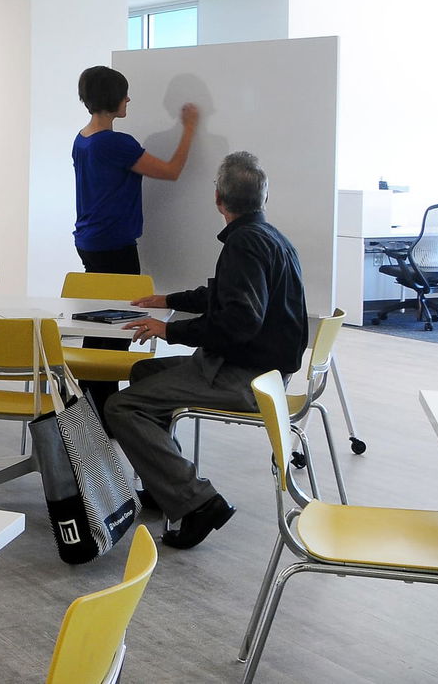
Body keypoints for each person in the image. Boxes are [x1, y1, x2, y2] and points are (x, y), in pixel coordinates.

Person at [103, 151, 308, 550]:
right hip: (265, 373)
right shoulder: (270, 238)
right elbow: (226, 297)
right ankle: (168, 485)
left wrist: (169, 329)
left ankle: (198, 501)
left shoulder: (244, 245)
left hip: (244, 378)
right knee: (145, 374)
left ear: (218, 199)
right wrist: (170, 298)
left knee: (121, 407)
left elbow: (238, 322)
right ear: (264, 198)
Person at [72, 65, 198, 417]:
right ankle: (105, 411)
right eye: (125, 94)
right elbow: (172, 172)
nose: (129, 99)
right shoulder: (115, 143)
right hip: (114, 245)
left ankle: (93, 407)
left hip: (90, 240)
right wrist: (188, 129)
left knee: (99, 325)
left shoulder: (82, 139)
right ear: (113, 99)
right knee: (115, 328)